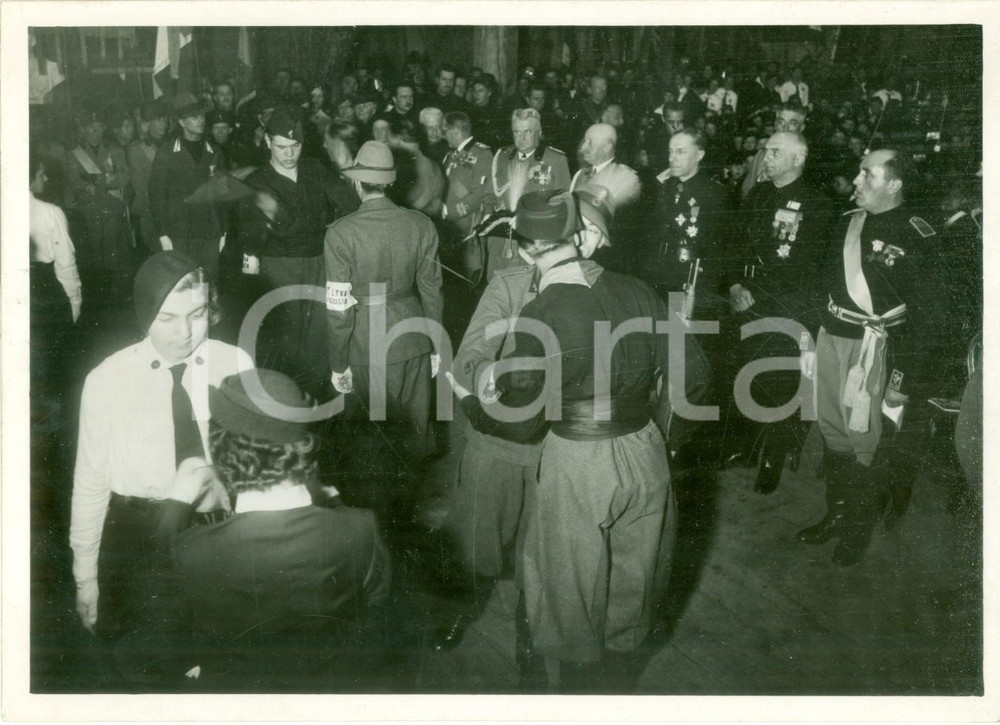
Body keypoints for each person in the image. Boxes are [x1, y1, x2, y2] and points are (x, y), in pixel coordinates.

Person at [446, 190, 703, 692]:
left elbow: (520, 415)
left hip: (575, 453)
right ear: (579, 238)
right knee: (631, 590)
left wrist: (473, 406)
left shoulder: (549, 305)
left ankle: (572, 690)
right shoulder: (637, 290)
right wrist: (661, 443)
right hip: (640, 451)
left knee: (567, 594)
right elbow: (693, 379)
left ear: (526, 246)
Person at [127, 369, 391, 691]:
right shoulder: (361, 527)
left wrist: (175, 504)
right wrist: (330, 503)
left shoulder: (191, 550)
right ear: (304, 447)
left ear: (222, 451)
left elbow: (156, 642)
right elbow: (374, 607)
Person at [70, 251, 253, 639]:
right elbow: (90, 484)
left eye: (198, 314)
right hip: (135, 536)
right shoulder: (108, 379)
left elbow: (253, 466)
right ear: (143, 312)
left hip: (215, 530)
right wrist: (85, 576)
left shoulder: (235, 363)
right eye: (167, 318)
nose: (184, 333)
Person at [797, 150, 944, 566]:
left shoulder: (919, 235)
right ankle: (836, 516)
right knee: (833, 433)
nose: (857, 180)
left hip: (876, 351)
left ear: (894, 184)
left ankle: (857, 531)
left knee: (868, 443)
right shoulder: (847, 222)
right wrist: (812, 338)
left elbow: (930, 320)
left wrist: (901, 381)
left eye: (868, 174)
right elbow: (820, 284)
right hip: (832, 339)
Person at [324, 141, 444, 472]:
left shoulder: (340, 233)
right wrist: (435, 346)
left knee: (371, 445)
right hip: (414, 339)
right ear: (390, 182)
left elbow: (338, 309)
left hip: (366, 347)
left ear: (356, 182)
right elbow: (432, 291)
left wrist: (338, 363)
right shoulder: (421, 224)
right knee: (414, 439)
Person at [725, 132, 835, 492]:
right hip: (746, 298)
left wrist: (757, 292)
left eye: (775, 152)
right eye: (766, 151)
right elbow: (736, 244)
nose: (766, 157)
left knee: (779, 381)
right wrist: (735, 284)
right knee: (746, 374)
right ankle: (747, 446)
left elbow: (809, 269)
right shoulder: (758, 194)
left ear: (797, 159)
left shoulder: (817, 204)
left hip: (784, 306)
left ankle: (773, 455)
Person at [241, 108, 358, 399]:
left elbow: (350, 204)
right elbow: (285, 227)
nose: (289, 154)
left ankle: (317, 398)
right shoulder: (258, 181)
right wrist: (327, 226)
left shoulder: (314, 169)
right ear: (267, 142)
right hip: (280, 267)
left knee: (321, 333)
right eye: (281, 147)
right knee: (286, 338)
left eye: (295, 146)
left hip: (319, 263)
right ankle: (286, 398)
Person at [481, 108, 571, 279]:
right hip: (500, 243)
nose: (521, 138)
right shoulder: (501, 156)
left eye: (527, 131)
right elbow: (489, 195)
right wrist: (487, 213)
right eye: (517, 132)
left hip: (532, 243)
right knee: (495, 288)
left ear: (539, 132)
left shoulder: (555, 160)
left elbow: (564, 204)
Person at [148, 93, 228, 280]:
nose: (200, 120)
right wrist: (162, 233)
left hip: (209, 231)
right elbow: (156, 194)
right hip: (180, 231)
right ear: (182, 123)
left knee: (207, 284)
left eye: (202, 116)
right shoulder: (167, 152)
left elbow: (223, 195)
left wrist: (224, 230)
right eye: (194, 117)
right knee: (184, 282)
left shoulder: (215, 151)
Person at [66, 108, 133, 310]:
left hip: (113, 210)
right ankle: (99, 298)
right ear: (83, 129)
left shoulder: (115, 150)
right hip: (90, 214)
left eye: (99, 127)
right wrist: (107, 180)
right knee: (94, 256)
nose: (96, 131)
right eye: (91, 127)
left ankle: (119, 295)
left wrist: (97, 181)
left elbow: (124, 177)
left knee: (117, 253)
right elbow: (74, 182)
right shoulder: (74, 155)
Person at [30, 149, 82, 401]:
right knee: (51, 373)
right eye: (41, 173)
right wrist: (74, 302)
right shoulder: (49, 212)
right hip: (43, 293)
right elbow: (66, 265)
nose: (46, 178)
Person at [441, 111, 493, 243]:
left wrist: (449, 212)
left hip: (469, 225)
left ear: (455, 132)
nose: (443, 136)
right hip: (448, 225)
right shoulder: (450, 155)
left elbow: (478, 194)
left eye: (445, 131)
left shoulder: (482, 154)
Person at [128, 100, 170, 254]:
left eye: (165, 120)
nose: (163, 124)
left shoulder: (172, 144)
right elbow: (141, 186)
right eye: (159, 120)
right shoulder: (137, 149)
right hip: (152, 210)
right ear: (147, 124)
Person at [742, 103, 807, 199]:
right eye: (781, 122)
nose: (785, 128)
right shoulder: (762, 153)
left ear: (801, 127)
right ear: (775, 124)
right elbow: (747, 189)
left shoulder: (805, 158)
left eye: (792, 123)